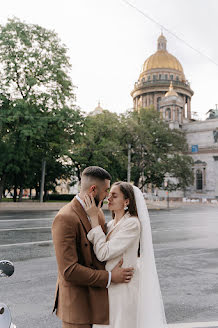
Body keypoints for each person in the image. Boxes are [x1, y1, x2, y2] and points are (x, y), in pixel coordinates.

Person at [52, 167, 134, 328]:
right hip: (76, 308)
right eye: (106, 191)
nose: (107, 196)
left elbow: (101, 250)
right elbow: (69, 271)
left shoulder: (98, 213)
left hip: (99, 303)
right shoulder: (65, 217)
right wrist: (110, 277)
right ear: (93, 189)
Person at [84, 181, 167, 328]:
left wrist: (94, 219)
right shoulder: (110, 225)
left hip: (124, 291)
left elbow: (103, 253)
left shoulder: (132, 224)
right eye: (109, 195)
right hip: (111, 287)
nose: (109, 198)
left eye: (114, 196)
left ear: (126, 201)